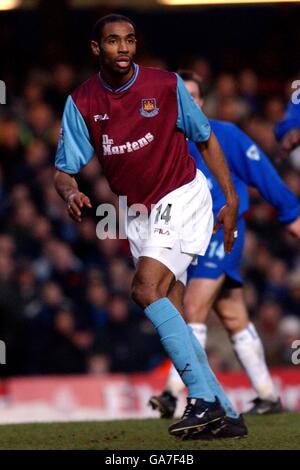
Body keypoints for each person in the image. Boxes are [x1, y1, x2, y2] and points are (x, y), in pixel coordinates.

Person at [53, 14, 244, 440]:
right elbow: (64, 170)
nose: (123, 48)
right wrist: (69, 192)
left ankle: (202, 400)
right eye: (113, 41)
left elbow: (206, 137)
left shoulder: (164, 85)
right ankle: (226, 412)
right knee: (171, 307)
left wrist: (229, 198)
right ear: (96, 48)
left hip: (181, 193)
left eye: (130, 40)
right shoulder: (82, 102)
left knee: (143, 290)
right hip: (137, 212)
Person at [149, 70, 300, 419]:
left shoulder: (226, 135)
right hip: (184, 237)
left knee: (195, 306)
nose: (188, 103)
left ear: (202, 102)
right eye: (180, 97)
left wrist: (291, 213)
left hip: (222, 232)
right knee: (233, 315)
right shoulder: (161, 144)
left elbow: (264, 175)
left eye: (194, 96)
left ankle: (173, 392)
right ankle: (267, 395)